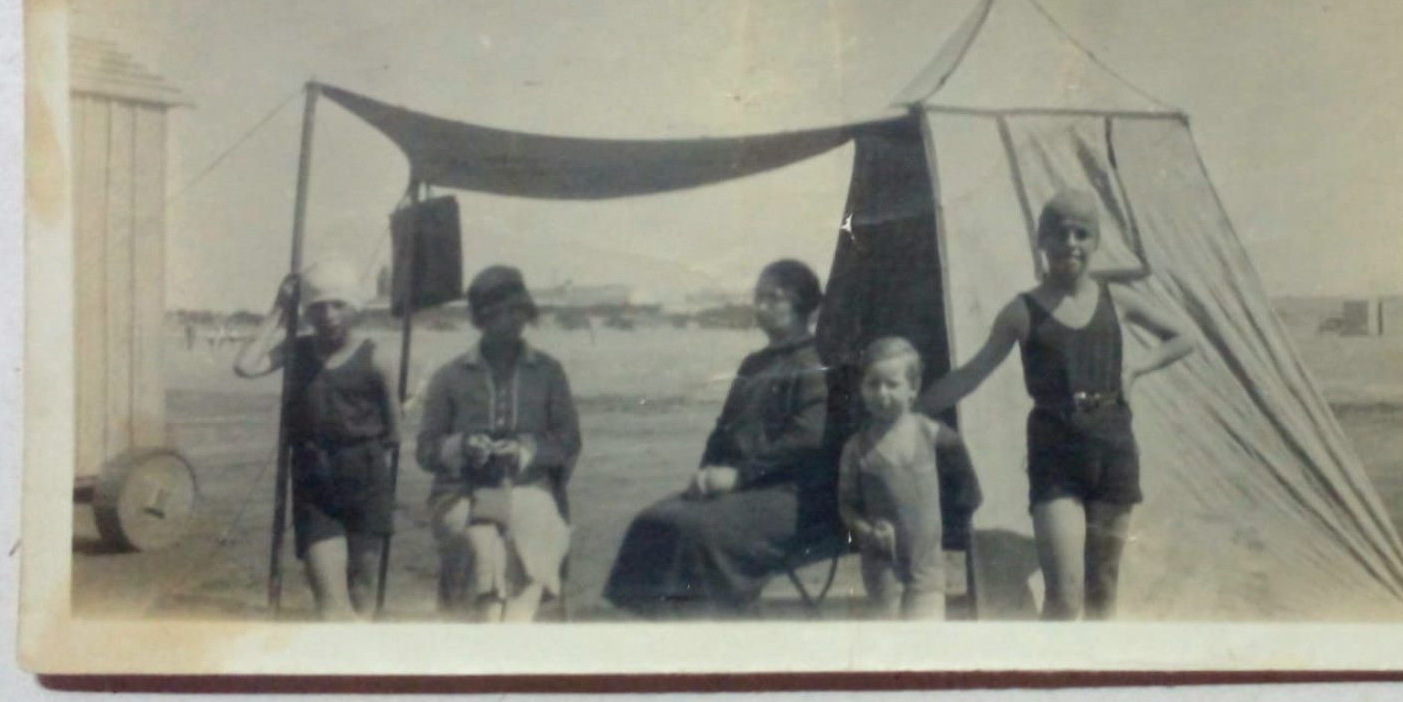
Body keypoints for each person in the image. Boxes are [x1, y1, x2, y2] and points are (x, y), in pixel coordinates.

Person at [916, 188, 1195, 620]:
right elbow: (973, 373)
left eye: (1082, 234)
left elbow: (1184, 337)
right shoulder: (1021, 311)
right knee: (1065, 594)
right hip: (1055, 453)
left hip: (1114, 448)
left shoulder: (1115, 300)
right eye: (1060, 233)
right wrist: (913, 409)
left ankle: (1100, 679)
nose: (1071, 243)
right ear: (1041, 240)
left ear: (1095, 242)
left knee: (1103, 586)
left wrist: (1137, 369)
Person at [604, 259, 830, 617]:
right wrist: (705, 474)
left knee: (698, 531)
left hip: (791, 494)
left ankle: (726, 628)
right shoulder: (753, 365)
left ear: (802, 306)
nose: (761, 307)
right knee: (651, 523)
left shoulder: (816, 364)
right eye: (759, 297)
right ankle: (668, 629)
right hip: (739, 487)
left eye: (774, 299)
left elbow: (805, 442)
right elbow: (723, 431)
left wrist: (739, 476)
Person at [235, 259, 400, 621]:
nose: (327, 315)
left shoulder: (377, 357)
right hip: (313, 481)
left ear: (355, 307)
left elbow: (394, 432)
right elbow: (246, 366)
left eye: (338, 304)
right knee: (331, 608)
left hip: (365, 479)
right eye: (317, 306)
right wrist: (279, 308)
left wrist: (361, 460)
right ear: (306, 311)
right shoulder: (297, 349)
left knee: (362, 597)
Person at [416, 265, 581, 622]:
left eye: (518, 312)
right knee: (479, 546)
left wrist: (525, 452)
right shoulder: (450, 375)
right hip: (460, 491)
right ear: (481, 319)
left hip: (529, 488)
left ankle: (515, 632)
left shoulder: (548, 372)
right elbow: (426, 449)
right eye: (500, 314)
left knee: (533, 536)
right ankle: (488, 633)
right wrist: (462, 447)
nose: (511, 322)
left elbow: (568, 442)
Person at [839, 337, 981, 620]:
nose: (882, 394)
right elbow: (847, 507)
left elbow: (968, 494)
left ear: (912, 389)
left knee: (925, 640)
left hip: (926, 568)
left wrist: (941, 531)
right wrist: (866, 531)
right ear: (861, 388)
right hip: (881, 565)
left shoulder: (936, 437)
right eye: (873, 384)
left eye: (892, 385)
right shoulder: (856, 448)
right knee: (890, 639)